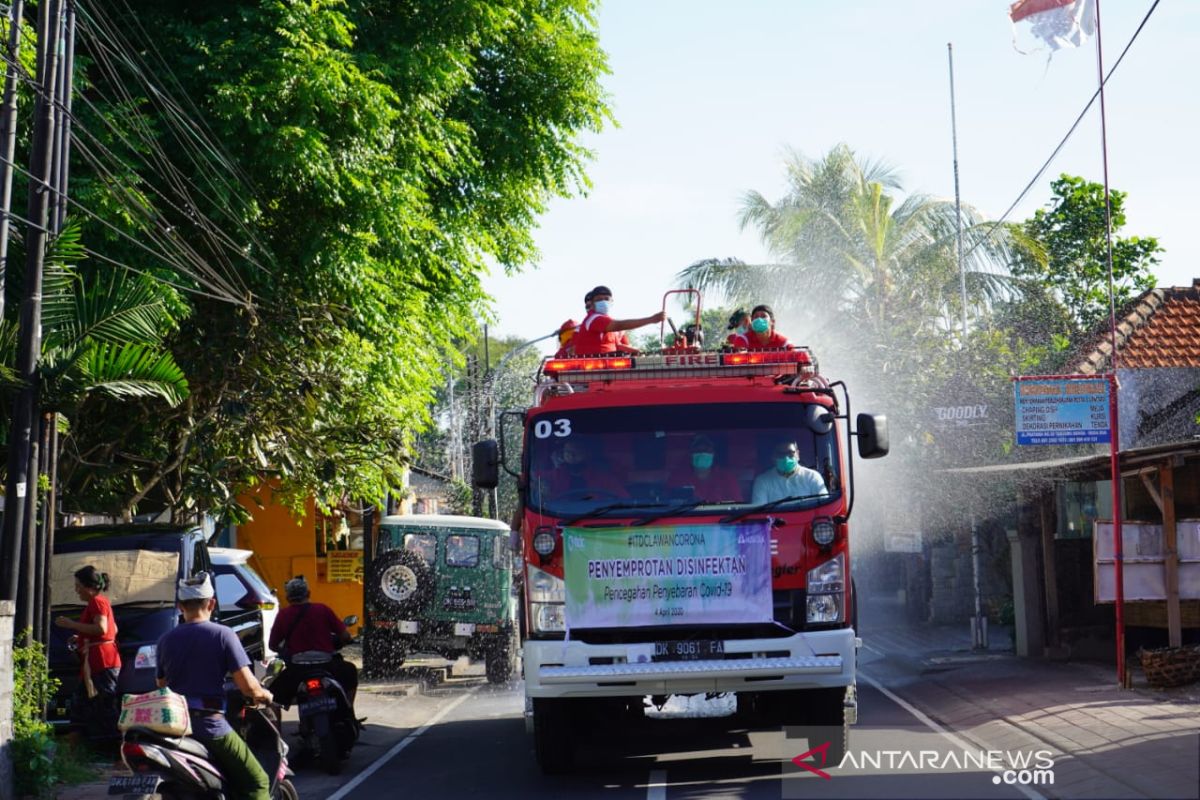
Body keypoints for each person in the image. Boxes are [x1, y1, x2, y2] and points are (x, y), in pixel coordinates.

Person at [156, 573, 272, 800]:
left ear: (180, 606)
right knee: (258, 781)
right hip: (210, 727)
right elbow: (248, 687)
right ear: (211, 603)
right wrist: (264, 694)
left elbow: (161, 684)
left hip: (175, 727)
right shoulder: (223, 635)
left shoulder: (166, 639)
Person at [269, 576, 358, 707]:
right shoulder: (322, 609)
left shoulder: (283, 615)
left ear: (288, 598)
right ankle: (349, 710)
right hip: (327, 666)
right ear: (309, 594)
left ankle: (276, 727)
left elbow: (273, 645)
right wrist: (346, 641)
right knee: (351, 671)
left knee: (273, 698)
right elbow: (344, 636)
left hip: (298, 669)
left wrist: (286, 652)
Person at [55, 566, 121, 739]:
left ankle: (119, 749)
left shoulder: (97, 602)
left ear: (87, 586)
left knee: (107, 704)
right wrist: (81, 636)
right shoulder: (100, 602)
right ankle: (74, 742)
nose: (76, 590)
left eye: (78, 586)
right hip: (96, 660)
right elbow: (113, 628)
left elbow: (102, 628)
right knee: (80, 701)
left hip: (102, 661)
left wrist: (72, 625)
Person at [571, 285, 667, 356]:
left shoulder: (606, 320)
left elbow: (618, 345)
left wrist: (639, 351)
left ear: (611, 302)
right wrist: (651, 319)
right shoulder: (593, 319)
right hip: (594, 365)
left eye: (606, 299)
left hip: (608, 361)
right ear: (592, 304)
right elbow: (619, 325)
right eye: (599, 299)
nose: (603, 302)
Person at [750, 440, 829, 504]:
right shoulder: (762, 481)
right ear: (773, 456)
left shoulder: (812, 477)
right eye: (781, 454)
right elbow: (760, 512)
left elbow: (824, 506)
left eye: (790, 453)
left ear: (797, 454)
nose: (786, 458)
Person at [668, 434, 741, 502]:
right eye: (698, 450)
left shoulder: (728, 478)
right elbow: (671, 506)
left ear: (713, 453)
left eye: (706, 450)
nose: (702, 453)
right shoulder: (678, 479)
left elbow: (737, 506)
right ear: (690, 454)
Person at [546, 438, 626, 498]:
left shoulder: (604, 478)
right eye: (568, 452)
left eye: (577, 451)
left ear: (587, 454)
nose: (571, 456)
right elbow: (536, 483)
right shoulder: (554, 477)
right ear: (562, 454)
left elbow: (623, 500)